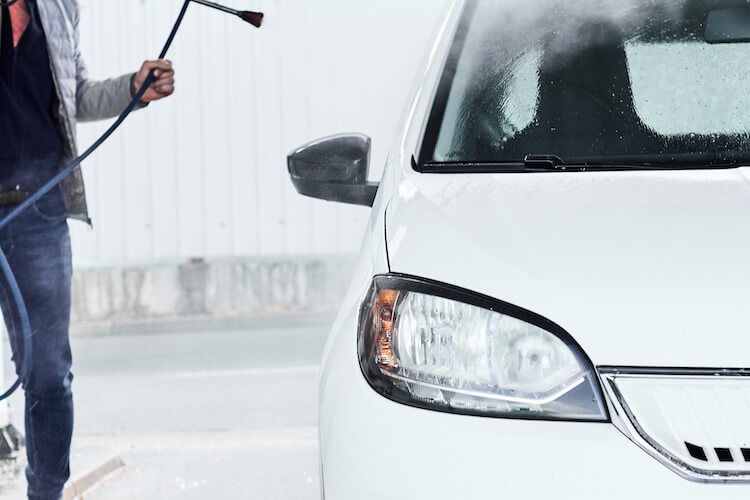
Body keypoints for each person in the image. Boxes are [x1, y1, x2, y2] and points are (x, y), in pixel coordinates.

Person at [0, 1, 175, 498]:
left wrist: (132, 89)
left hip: (37, 210)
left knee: (49, 376)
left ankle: (46, 494)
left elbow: (73, 95)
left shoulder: (58, 6)